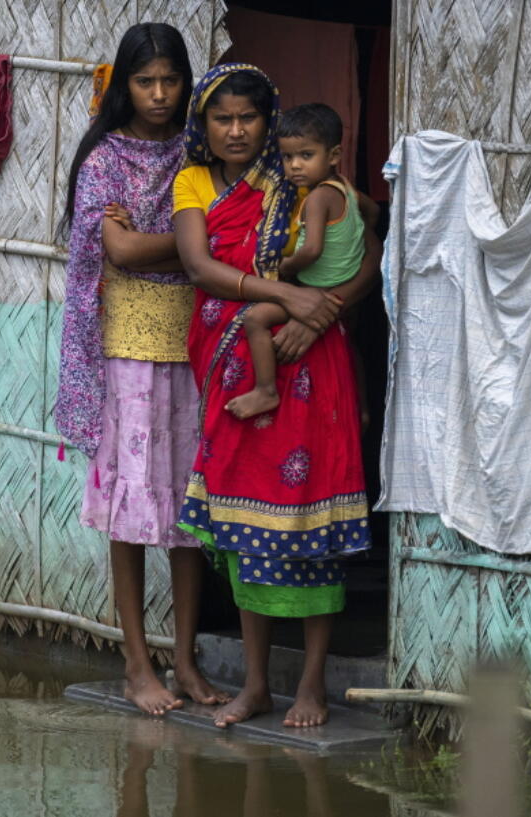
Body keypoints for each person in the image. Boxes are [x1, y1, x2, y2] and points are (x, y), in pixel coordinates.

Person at [172, 64, 380, 728]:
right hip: (242, 371)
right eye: (222, 118)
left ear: (271, 121)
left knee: (312, 525)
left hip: (315, 364)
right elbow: (202, 266)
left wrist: (323, 311)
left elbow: (374, 244)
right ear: (203, 124)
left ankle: (313, 683)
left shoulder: (308, 179)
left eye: (249, 118)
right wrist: (290, 298)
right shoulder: (197, 182)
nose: (236, 130)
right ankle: (257, 684)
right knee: (243, 525)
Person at [54, 22, 226, 716]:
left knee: (189, 510)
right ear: (123, 86)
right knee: (130, 512)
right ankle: (135, 662)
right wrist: (190, 243)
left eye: (171, 80)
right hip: (125, 349)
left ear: (188, 83)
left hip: (193, 346)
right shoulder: (104, 161)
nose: (159, 94)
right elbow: (120, 254)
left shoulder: (202, 152)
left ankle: (183, 660)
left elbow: (209, 235)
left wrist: (166, 243)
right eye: (145, 81)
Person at [225, 103, 375, 420]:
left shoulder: (317, 198)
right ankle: (363, 408)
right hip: (341, 285)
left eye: (306, 156)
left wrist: (286, 267)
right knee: (354, 347)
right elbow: (373, 212)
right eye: (288, 157)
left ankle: (265, 390)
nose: (294, 166)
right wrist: (354, 235)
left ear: (333, 156)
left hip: (316, 290)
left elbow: (313, 251)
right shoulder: (346, 188)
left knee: (255, 319)